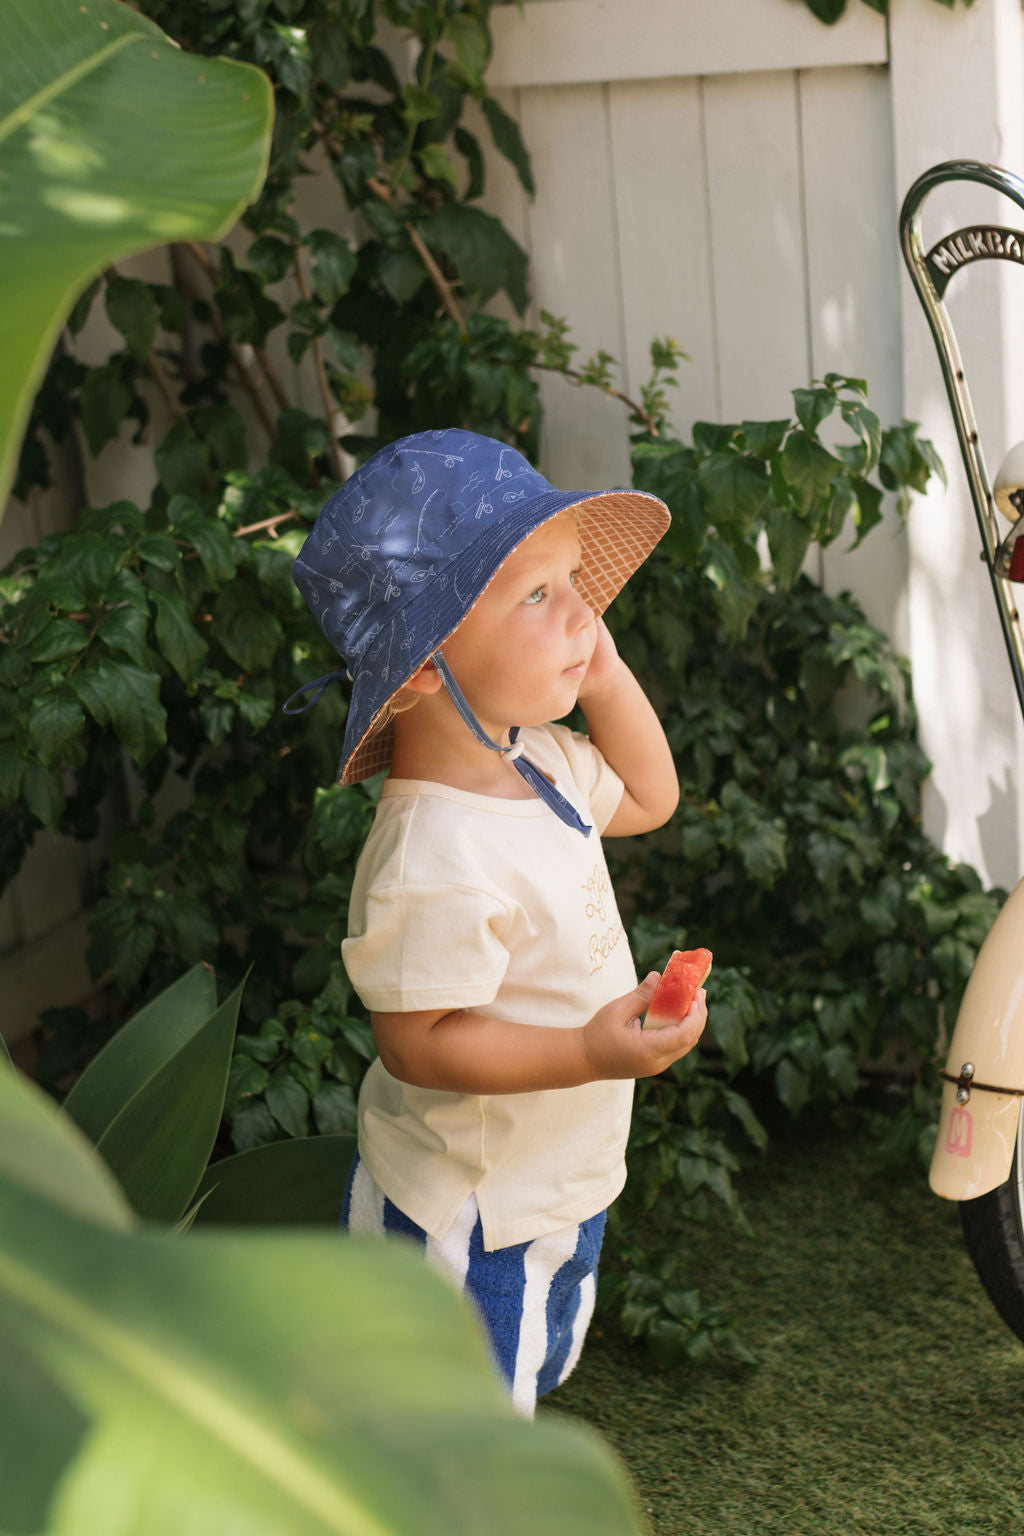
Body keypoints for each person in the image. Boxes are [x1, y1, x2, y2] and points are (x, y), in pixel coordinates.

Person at [286, 428, 707, 1416]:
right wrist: (587, 1051)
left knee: (508, 1379)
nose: (582, 614)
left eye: (577, 584)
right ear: (426, 665)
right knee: (466, 1425)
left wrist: (603, 678)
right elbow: (420, 1044)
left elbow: (649, 798)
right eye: (539, 594)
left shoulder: (541, 759)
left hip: (543, 1178)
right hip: (471, 1213)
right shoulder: (432, 853)